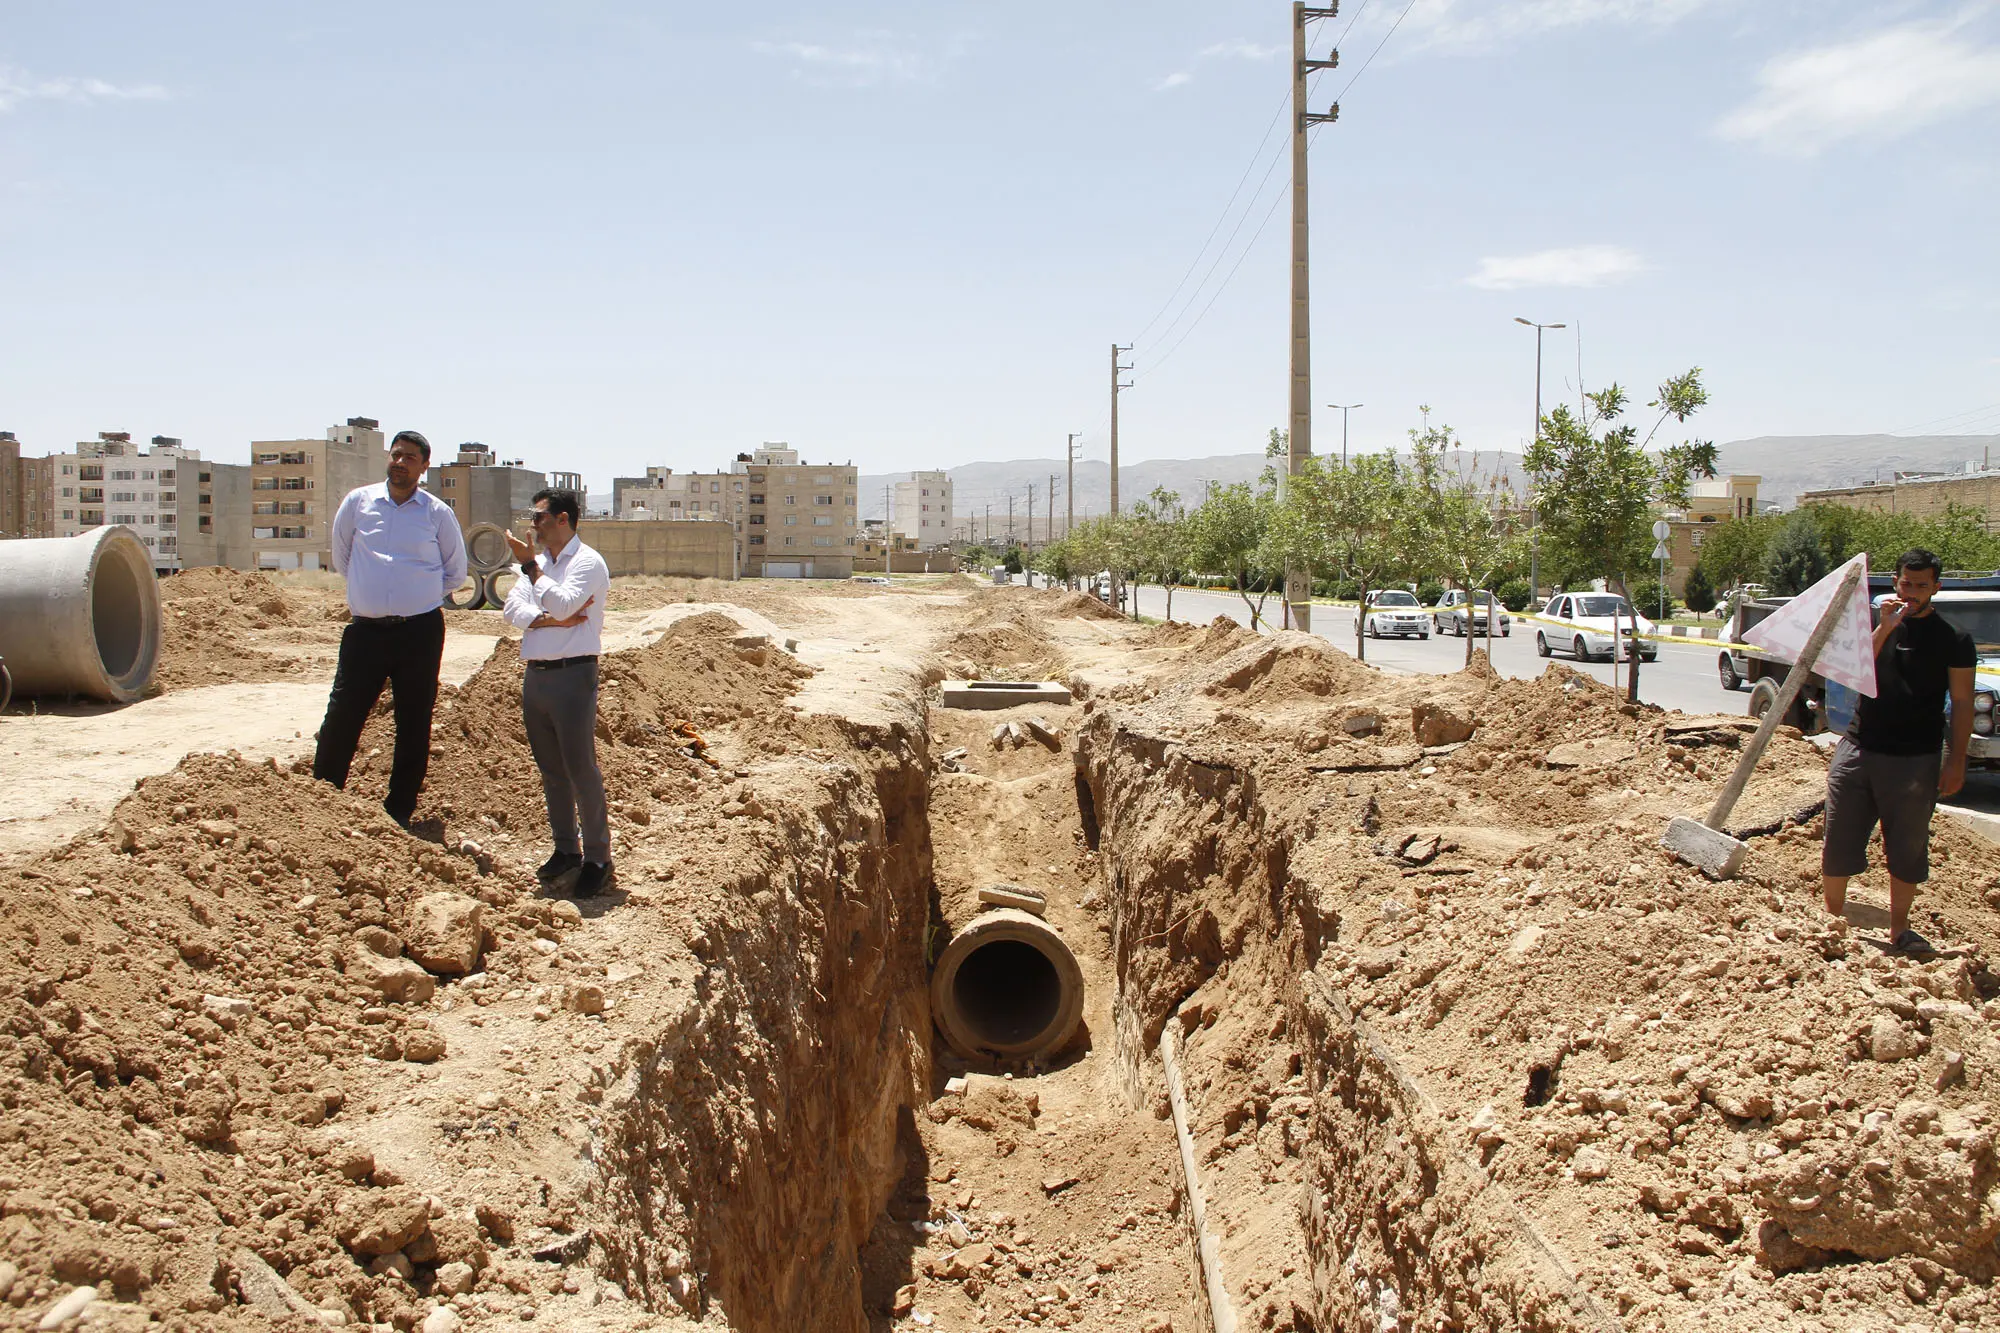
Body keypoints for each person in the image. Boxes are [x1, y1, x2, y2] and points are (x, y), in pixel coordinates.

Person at [313, 430, 467, 829]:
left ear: (424, 465)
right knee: (343, 714)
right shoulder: (359, 503)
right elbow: (343, 558)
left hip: (419, 632)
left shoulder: (436, 513)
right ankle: (322, 797)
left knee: (414, 720)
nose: (400, 462)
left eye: (409, 457)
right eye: (396, 455)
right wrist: (375, 593)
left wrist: (414, 597)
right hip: (365, 633)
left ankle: (399, 810)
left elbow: (455, 572)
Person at [1822, 549, 1975, 948]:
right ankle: (1830, 925)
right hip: (1858, 747)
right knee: (1839, 838)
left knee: (1907, 847)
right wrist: (1885, 628)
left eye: (1922, 585)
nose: (1912, 592)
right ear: (1895, 583)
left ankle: (1899, 930)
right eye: (1906, 583)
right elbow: (1855, 673)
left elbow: (1961, 703)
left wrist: (1956, 760)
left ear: (1936, 588)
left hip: (1915, 758)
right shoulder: (1876, 628)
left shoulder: (1954, 640)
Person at [501, 488, 613, 897]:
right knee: (551, 769)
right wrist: (545, 622)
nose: (533, 525)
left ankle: (598, 857)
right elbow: (512, 609)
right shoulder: (539, 564)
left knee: (581, 767)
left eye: (540, 516)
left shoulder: (587, 562)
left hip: (573, 674)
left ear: (563, 518)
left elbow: (566, 606)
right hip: (537, 674)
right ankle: (566, 848)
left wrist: (532, 569)